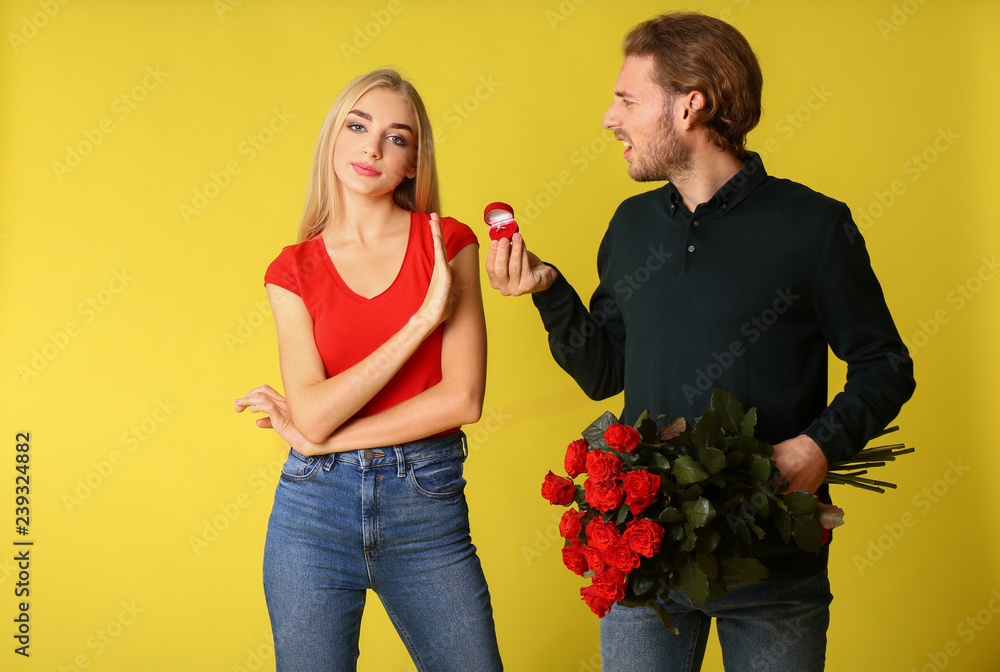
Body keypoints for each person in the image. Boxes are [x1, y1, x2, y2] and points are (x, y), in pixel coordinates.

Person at [486, 12, 914, 672]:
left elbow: (886, 363)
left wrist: (818, 446)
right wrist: (549, 291)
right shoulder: (630, 228)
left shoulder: (814, 227)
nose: (609, 118)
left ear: (691, 105)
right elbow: (606, 372)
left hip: (772, 568)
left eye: (627, 100)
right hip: (644, 563)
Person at [235, 69, 502, 672]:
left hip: (426, 504)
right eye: (357, 126)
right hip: (312, 516)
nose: (373, 147)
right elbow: (313, 412)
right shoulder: (292, 271)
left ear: (413, 162)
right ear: (333, 139)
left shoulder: (448, 244)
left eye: (397, 137)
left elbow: (461, 400)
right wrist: (420, 322)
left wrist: (317, 438)